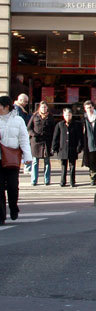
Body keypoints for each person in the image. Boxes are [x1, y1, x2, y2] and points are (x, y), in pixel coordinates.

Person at [0, 95, 33, 223]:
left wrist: (27, 156)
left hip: (12, 158)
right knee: (0, 189)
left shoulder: (18, 120)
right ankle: (1, 216)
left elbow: (24, 139)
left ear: (6, 107)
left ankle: (13, 207)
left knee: (13, 187)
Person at [51, 107, 81, 187]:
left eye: (69, 115)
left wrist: (79, 146)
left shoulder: (76, 124)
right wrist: (54, 147)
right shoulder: (60, 124)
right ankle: (62, 181)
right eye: (66, 115)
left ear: (72, 115)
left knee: (72, 165)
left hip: (72, 148)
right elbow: (56, 137)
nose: (68, 116)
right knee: (63, 165)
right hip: (63, 148)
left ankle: (72, 181)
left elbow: (79, 137)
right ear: (63, 115)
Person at [27, 101, 54, 186]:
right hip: (36, 142)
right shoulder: (35, 116)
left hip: (46, 142)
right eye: (42, 107)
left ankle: (47, 180)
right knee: (35, 161)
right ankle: (34, 180)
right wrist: (33, 134)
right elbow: (29, 128)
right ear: (39, 108)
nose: (44, 109)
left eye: (45, 107)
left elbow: (53, 130)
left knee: (47, 161)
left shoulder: (50, 117)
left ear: (47, 108)